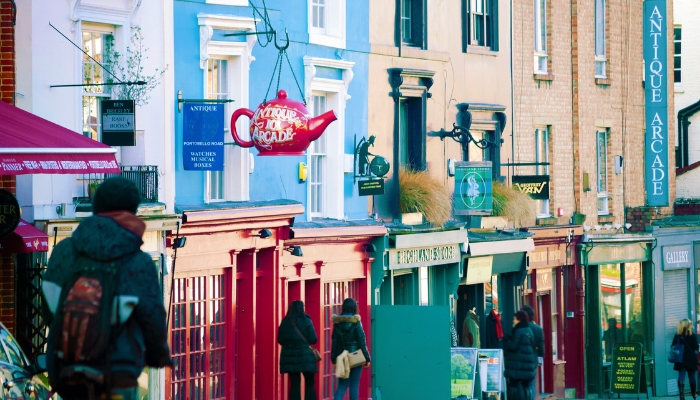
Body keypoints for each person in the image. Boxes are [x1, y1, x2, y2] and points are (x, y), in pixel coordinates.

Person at [42, 177, 173, 400]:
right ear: (133, 211)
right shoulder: (137, 261)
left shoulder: (64, 251)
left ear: (96, 207)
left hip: (65, 370)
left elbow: (48, 308)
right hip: (117, 373)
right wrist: (158, 355)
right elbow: (152, 316)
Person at [331, 298, 371, 400]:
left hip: (342, 357)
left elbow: (334, 342)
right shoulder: (356, 322)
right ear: (354, 308)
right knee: (354, 384)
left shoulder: (337, 323)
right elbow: (362, 341)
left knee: (342, 385)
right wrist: (367, 358)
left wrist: (334, 359)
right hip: (355, 356)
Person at [278, 300, 319, 400]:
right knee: (309, 383)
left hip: (291, 358)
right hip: (306, 356)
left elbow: (280, 340)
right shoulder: (306, 320)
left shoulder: (285, 321)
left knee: (295, 384)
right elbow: (314, 339)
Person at [503, 311, 538, 400]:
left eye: (514, 319)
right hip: (527, 365)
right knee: (526, 386)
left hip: (518, 366)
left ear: (519, 320)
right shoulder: (528, 330)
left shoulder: (518, 331)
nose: (513, 321)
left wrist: (507, 341)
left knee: (513, 386)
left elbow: (513, 347)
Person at [672, 318, 699, 400]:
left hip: (680, 359)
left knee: (681, 376)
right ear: (689, 326)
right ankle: (694, 394)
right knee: (692, 376)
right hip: (691, 359)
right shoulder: (693, 335)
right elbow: (696, 347)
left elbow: (673, 346)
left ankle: (681, 395)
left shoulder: (678, 335)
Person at [522, 306, 544, 398]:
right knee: (531, 384)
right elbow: (541, 347)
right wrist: (539, 361)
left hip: (521, 360)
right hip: (532, 360)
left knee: (521, 384)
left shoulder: (519, 328)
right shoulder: (538, 329)